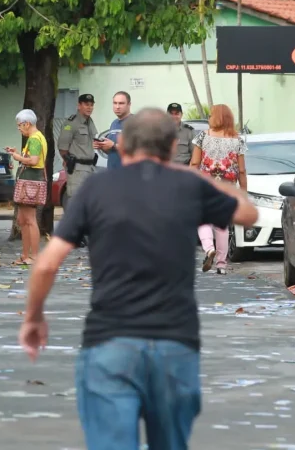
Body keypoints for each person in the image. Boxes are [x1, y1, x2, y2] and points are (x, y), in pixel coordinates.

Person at [19, 108, 258, 450]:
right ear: (173, 145)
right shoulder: (188, 185)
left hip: (110, 344)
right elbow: (248, 214)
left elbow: (45, 265)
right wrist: (202, 176)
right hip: (175, 347)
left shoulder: (96, 188)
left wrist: (34, 318)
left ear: (123, 145)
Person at [190, 104, 248, 275]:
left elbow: (194, 163)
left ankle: (209, 248)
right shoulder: (238, 140)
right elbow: (242, 169)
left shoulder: (202, 137)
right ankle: (221, 265)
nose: (208, 118)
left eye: (210, 115)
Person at [5, 109, 47, 266]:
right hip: (28, 180)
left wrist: (17, 157)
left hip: (31, 181)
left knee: (30, 219)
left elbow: (34, 160)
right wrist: (18, 153)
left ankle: (34, 256)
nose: (19, 128)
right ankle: (25, 254)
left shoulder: (35, 139)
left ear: (27, 123)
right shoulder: (35, 138)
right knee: (22, 219)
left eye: (20, 125)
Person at [57, 94, 100, 207]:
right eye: (86, 104)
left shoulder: (89, 122)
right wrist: (69, 161)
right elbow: (62, 147)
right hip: (77, 168)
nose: (89, 107)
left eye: (91, 105)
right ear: (79, 105)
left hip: (90, 167)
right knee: (76, 201)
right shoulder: (71, 123)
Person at [96, 91, 132, 170]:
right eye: (115, 103)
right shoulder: (114, 123)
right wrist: (102, 147)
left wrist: (113, 145)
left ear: (129, 104)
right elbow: (112, 152)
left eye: (121, 103)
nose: (117, 106)